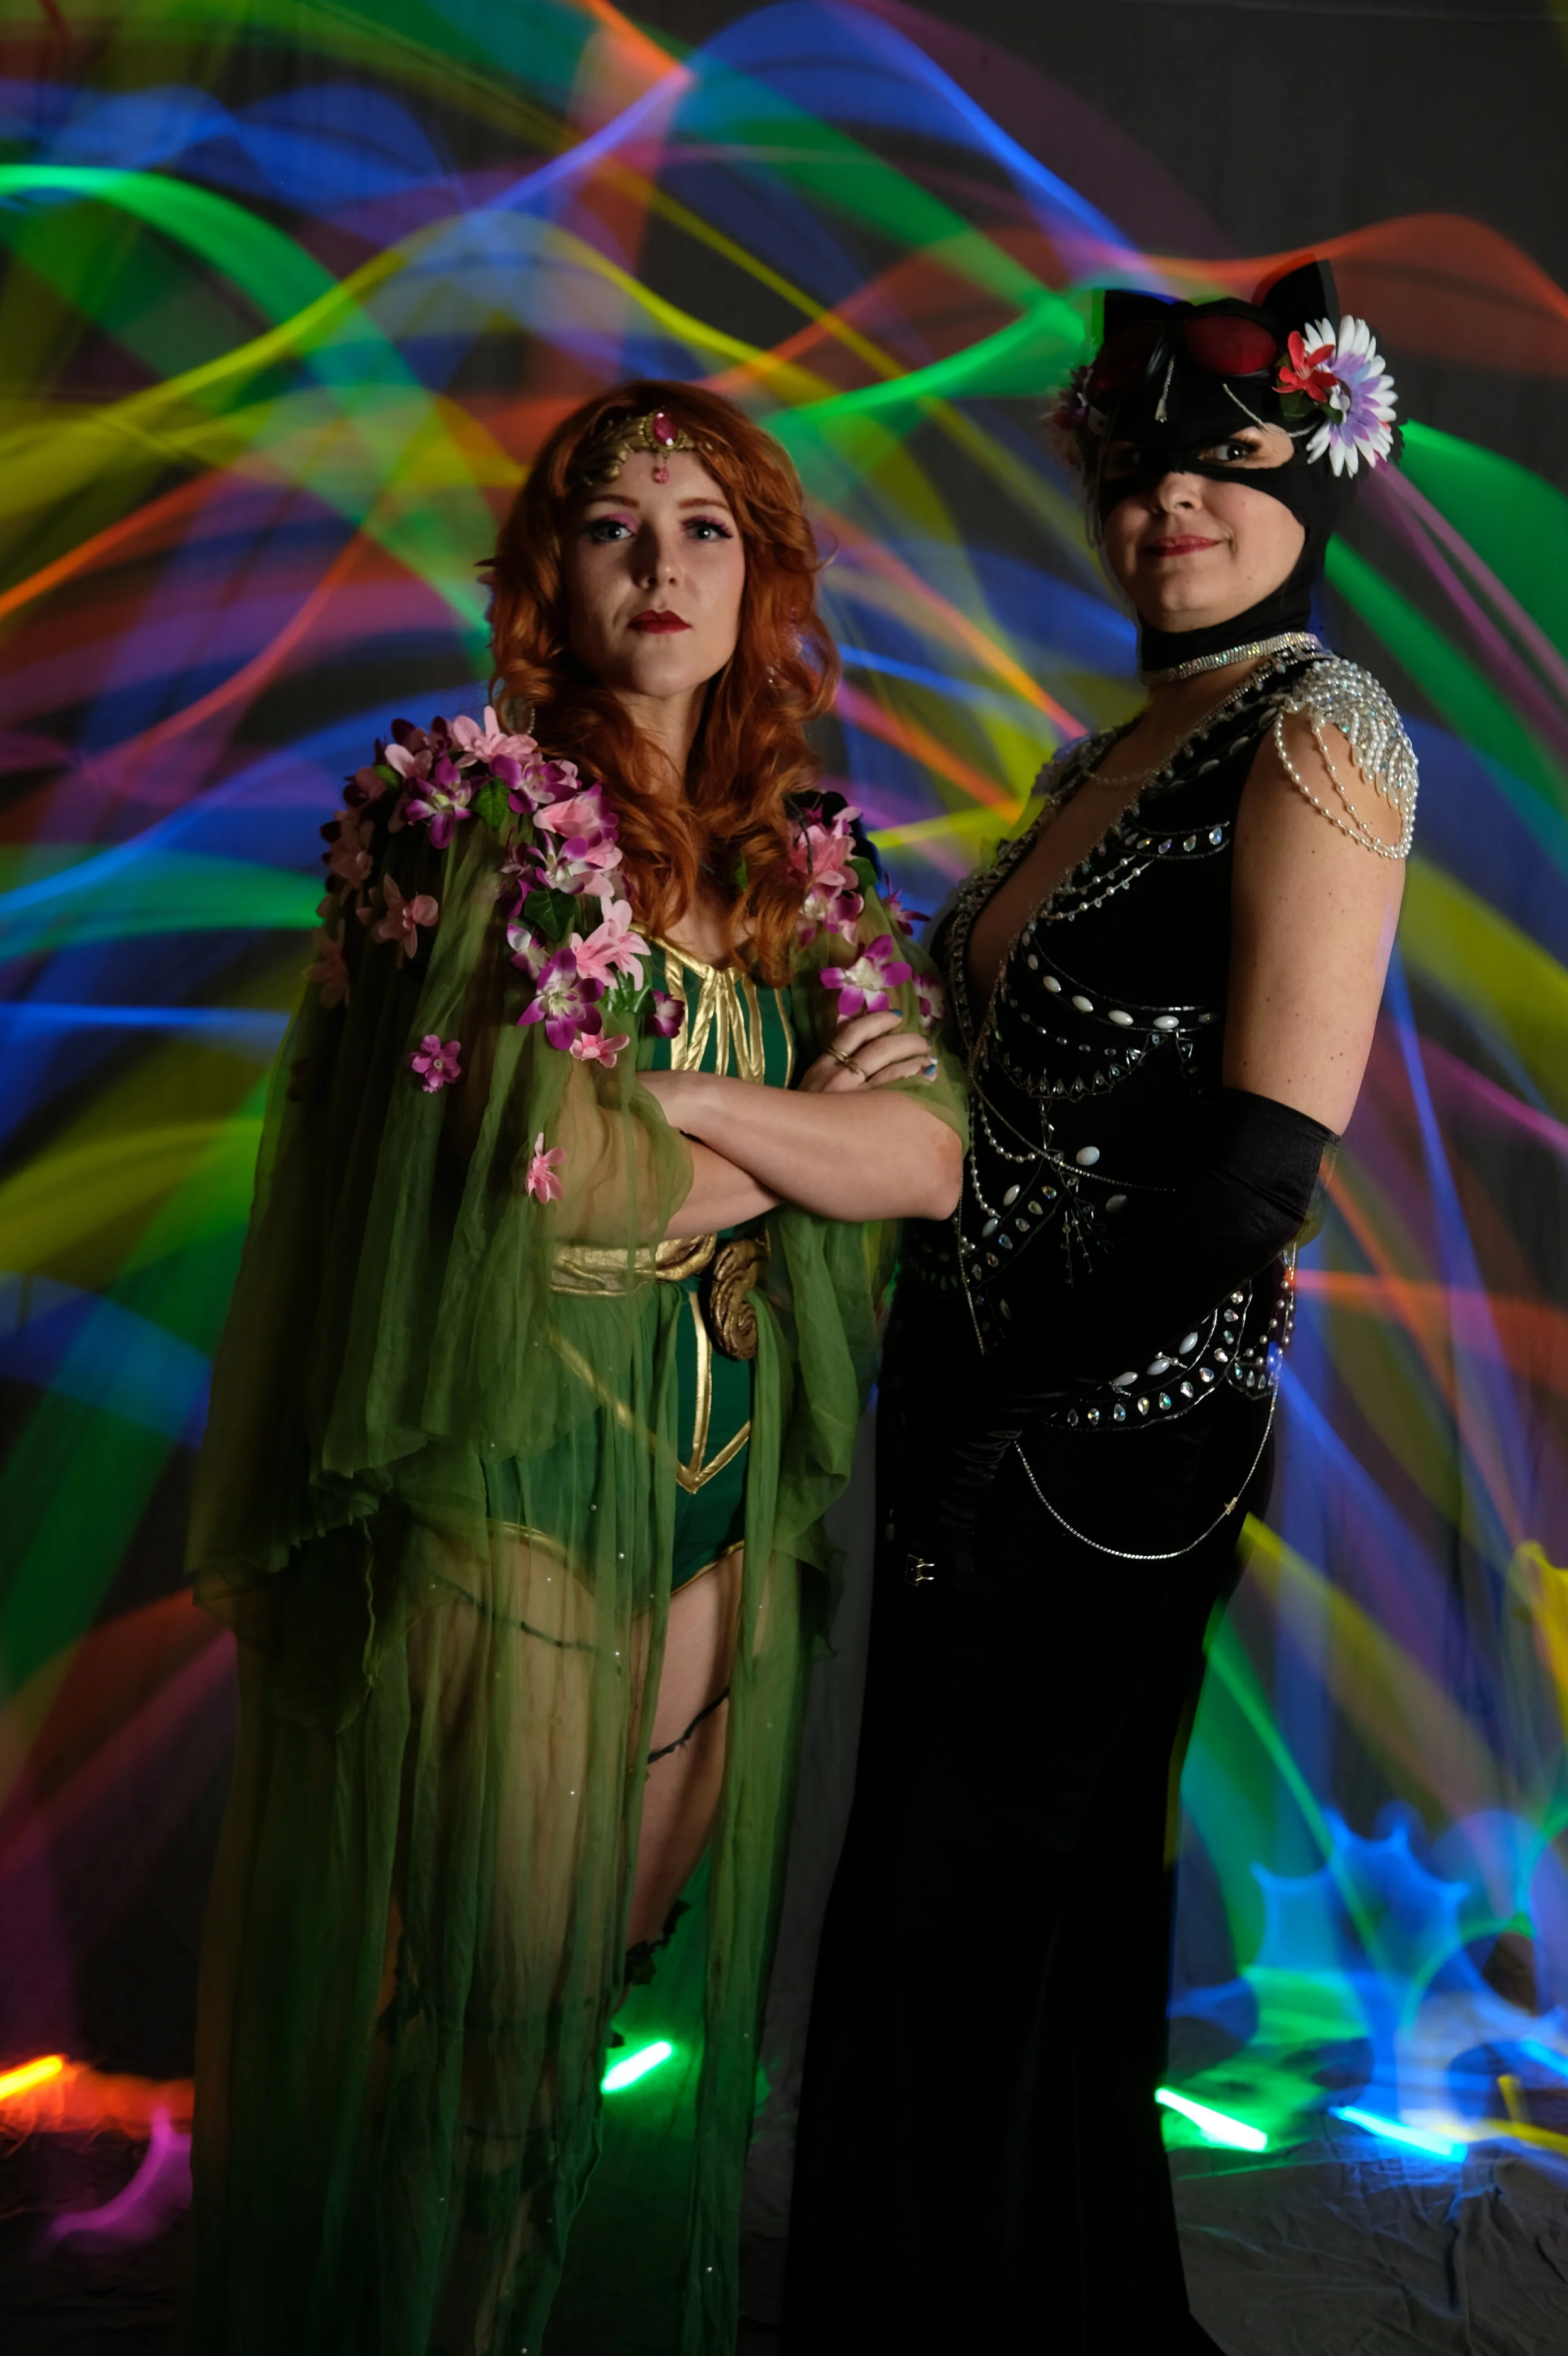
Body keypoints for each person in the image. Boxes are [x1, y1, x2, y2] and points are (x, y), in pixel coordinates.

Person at [183, 380, 964, 2356]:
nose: (663, 566)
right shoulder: (475, 820)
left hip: (715, 1507)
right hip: (522, 1480)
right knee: (487, 2016)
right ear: (553, 571)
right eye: (617, 526)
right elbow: (558, 1189)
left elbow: (926, 1158)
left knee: (588, 1998)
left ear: (761, 575)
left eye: (707, 530)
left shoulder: (799, 867)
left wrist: (680, 1103)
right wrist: (783, 1140)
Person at [785, 265, 1416, 2352]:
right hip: (972, 1393)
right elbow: (1015, 1082)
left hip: (1113, 1429)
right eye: (1133, 472)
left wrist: (1007, 1408)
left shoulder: (1320, 731)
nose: (1166, 507)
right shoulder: (1120, 739)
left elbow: (1252, 1178)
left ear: (1313, 472)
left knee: (986, 1906)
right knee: (953, 1907)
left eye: (1217, 465)